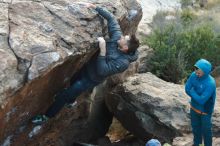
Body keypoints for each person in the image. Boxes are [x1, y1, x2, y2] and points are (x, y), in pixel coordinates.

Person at [32, 3, 139, 124]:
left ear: (125, 48)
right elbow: (111, 19)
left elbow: (102, 70)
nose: (123, 36)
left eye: (125, 38)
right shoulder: (117, 38)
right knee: (73, 81)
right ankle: (71, 101)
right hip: (86, 68)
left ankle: (46, 116)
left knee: (67, 93)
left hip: (91, 79)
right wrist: (95, 7)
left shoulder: (123, 63)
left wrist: (103, 49)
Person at [185, 59, 216, 146]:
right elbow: (186, 89)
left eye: (199, 73)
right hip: (194, 108)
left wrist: (193, 92)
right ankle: (197, 144)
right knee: (195, 129)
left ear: (206, 73)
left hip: (205, 111)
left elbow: (202, 101)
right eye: (196, 71)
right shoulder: (193, 75)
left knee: (206, 132)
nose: (196, 74)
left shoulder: (210, 83)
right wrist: (196, 96)